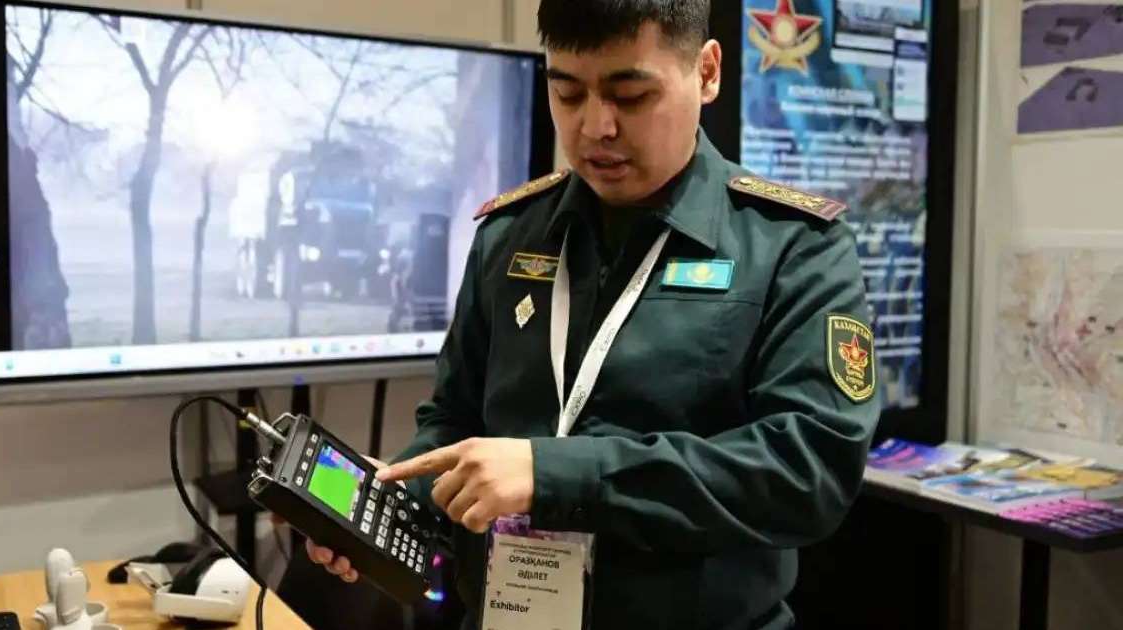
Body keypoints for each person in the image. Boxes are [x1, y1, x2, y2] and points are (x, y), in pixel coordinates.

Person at [304, 1, 882, 628]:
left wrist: (555, 474)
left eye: (630, 95)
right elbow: (455, 419)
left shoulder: (792, 246)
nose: (594, 127)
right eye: (567, 93)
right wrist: (388, 502)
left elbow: (807, 472)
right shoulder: (510, 234)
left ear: (708, 72)